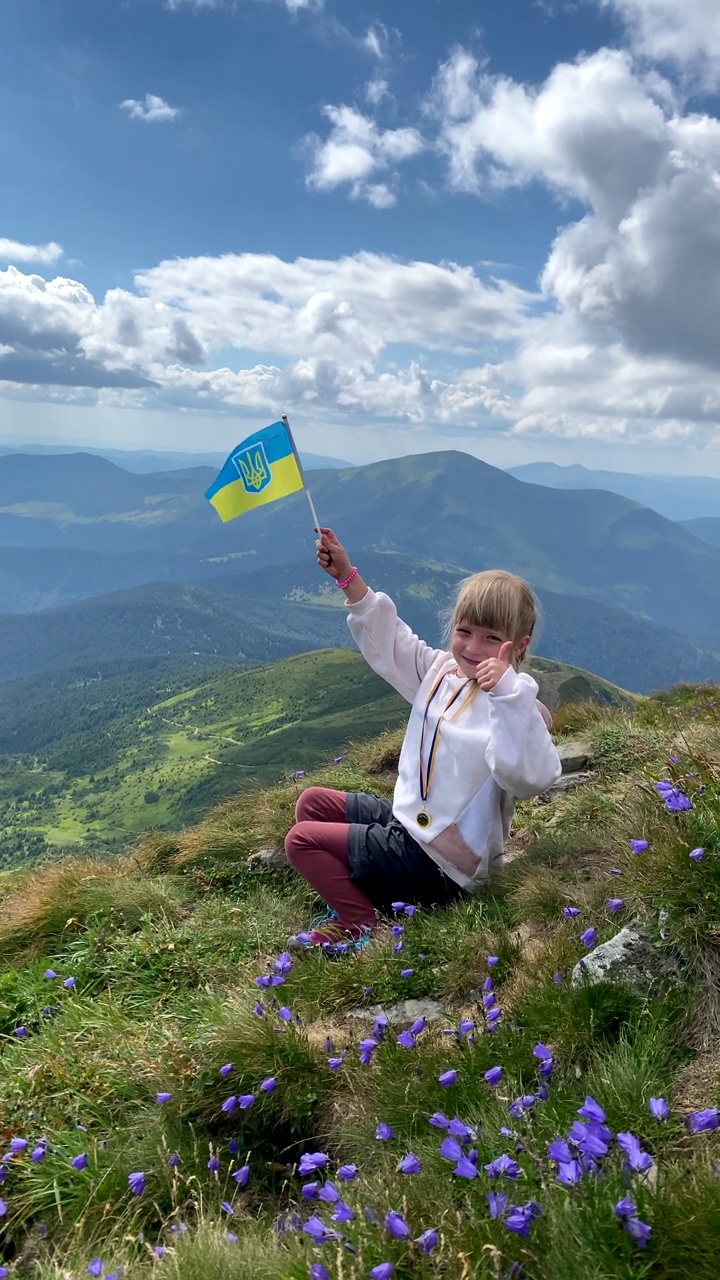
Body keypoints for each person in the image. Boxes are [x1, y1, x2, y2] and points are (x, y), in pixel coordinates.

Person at [284, 527, 561, 949]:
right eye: (465, 630)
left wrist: (508, 693)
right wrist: (347, 578)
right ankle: (370, 895)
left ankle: (360, 922)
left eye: (492, 638)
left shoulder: (518, 711)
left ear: (518, 646)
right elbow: (392, 643)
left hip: (443, 865)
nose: (472, 647)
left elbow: (530, 778)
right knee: (311, 804)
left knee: (301, 841)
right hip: (410, 827)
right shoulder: (443, 674)